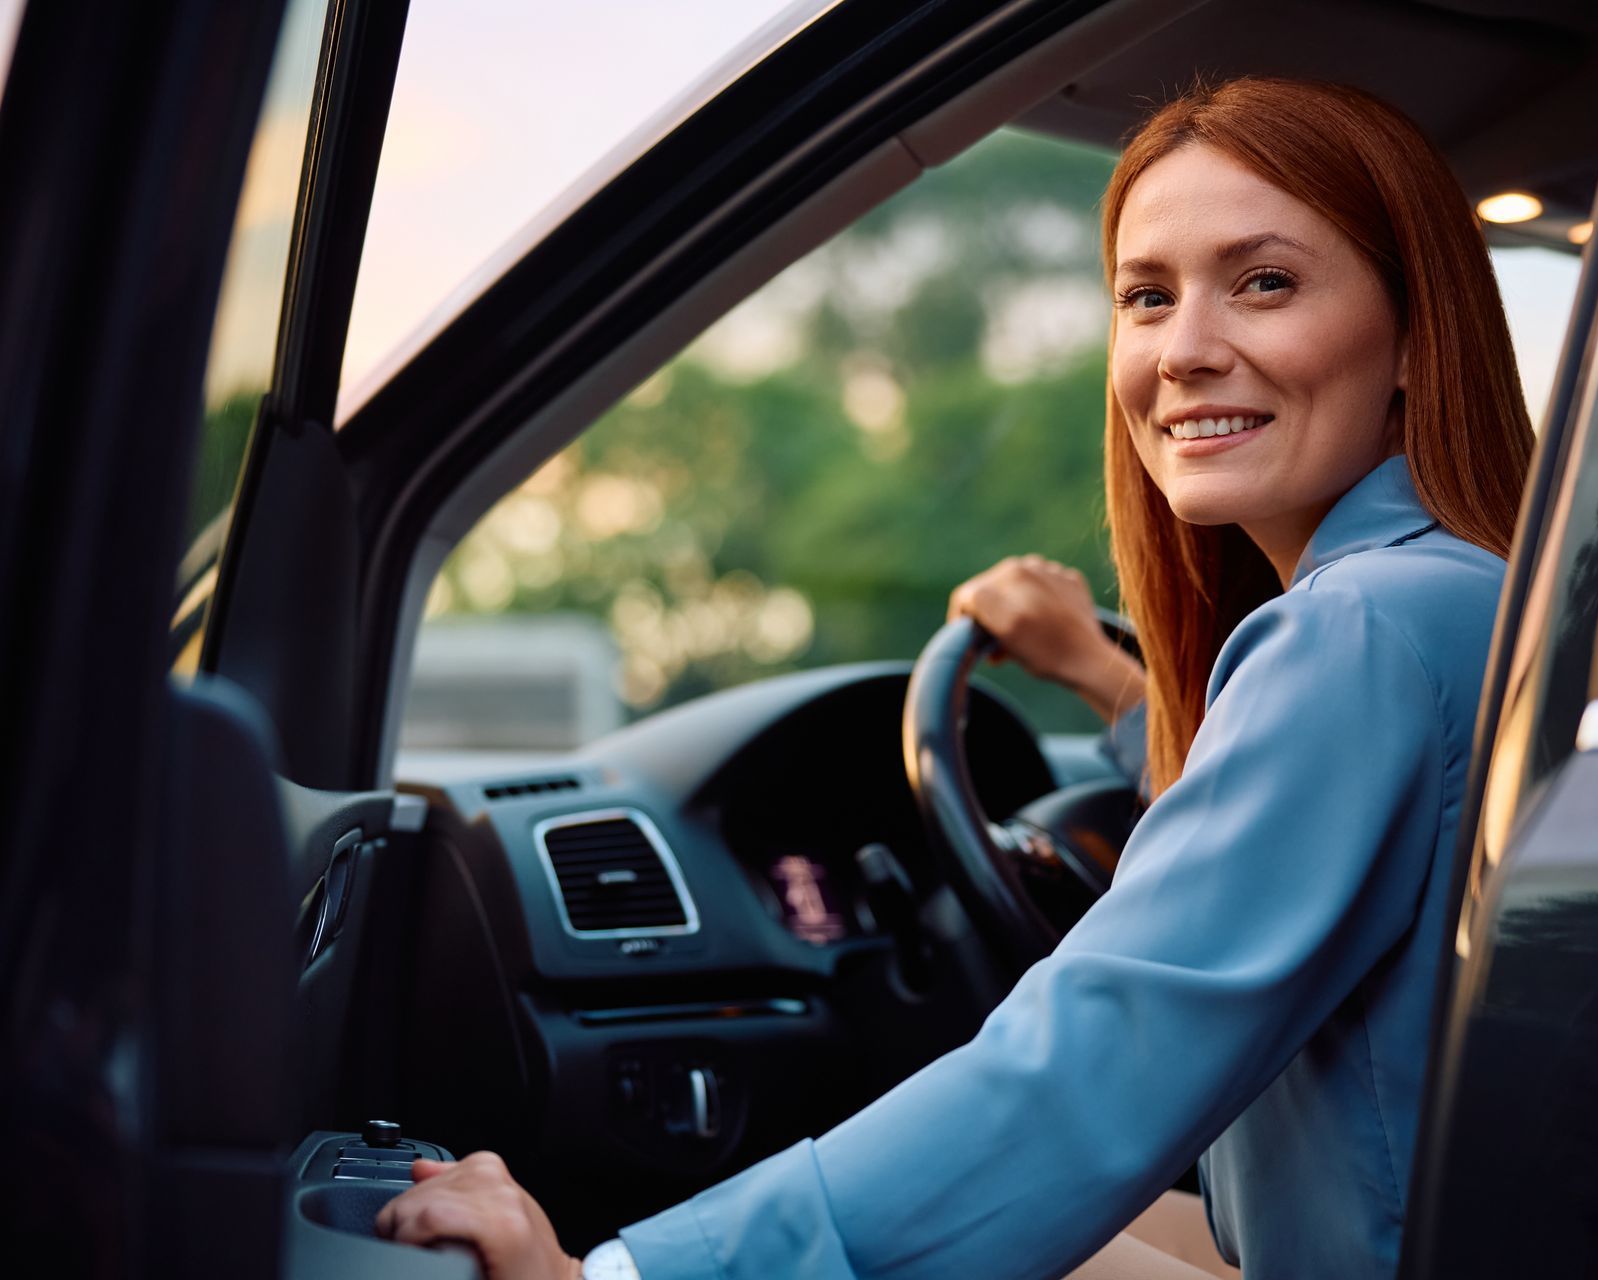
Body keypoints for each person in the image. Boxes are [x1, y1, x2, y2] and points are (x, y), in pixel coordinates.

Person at [375, 76, 1535, 1280]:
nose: (1184, 350)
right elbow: (1273, 801)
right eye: (1146, 296)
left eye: (1264, 282)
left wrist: (609, 1276)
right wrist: (1107, 679)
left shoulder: (1357, 630)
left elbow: (1091, 1062)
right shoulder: (1462, 599)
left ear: (1413, 334)